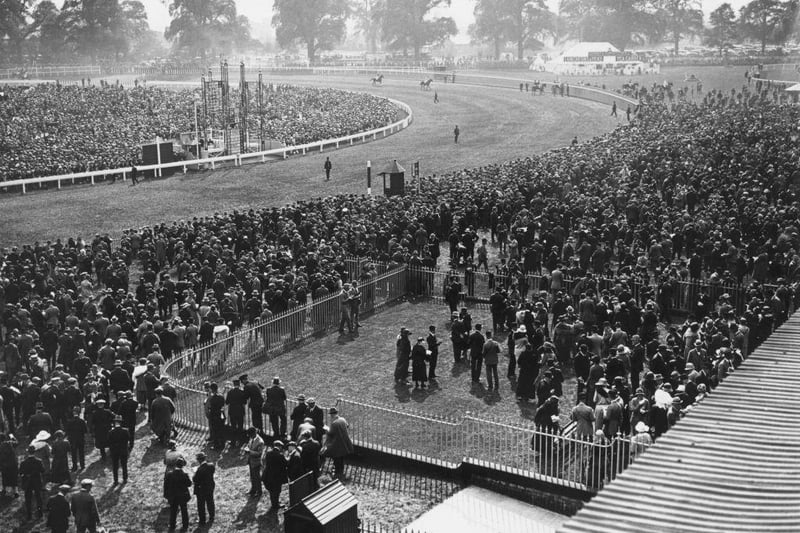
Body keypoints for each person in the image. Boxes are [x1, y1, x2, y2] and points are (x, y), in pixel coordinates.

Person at [324, 407, 353, 480]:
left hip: (337, 444)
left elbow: (331, 433)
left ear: (332, 415)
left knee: (336, 458)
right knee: (342, 457)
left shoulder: (334, 423)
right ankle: (341, 471)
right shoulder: (343, 419)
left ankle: (337, 472)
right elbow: (347, 426)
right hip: (345, 442)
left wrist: (326, 430)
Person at [164, 457, 192, 531]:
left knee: (173, 511)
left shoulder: (169, 474)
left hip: (173, 496)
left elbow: (166, 485)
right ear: (182, 465)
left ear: (175, 464)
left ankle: (172, 525)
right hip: (183, 496)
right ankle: (185, 525)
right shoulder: (184, 474)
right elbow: (189, 484)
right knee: (184, 511)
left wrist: (166, 495)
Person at [19, 445, 45, 520]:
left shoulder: (23, 462)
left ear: (28, 452)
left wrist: (26, 475)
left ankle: (29, 515)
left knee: (28, 499)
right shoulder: (39, 461)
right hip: (37, 481)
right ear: (35, 452)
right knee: (38, 498)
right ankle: (40, 513)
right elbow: (43, 471)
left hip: (27, 482)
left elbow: (20, 473)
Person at [262, 440, 288, 512]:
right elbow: (286, 463)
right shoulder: (280, 455)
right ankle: (275, 505)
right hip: (276, 477)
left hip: (268, 476)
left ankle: (274, 503)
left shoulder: (268, 453)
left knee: (271, 491)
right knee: (277, 491)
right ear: (279, 446)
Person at [192, 452, 216, 525]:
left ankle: (202, 520)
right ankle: (212, 516)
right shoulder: (211, 465)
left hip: (201, 489)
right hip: (210, 486)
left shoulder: (199, 470)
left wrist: (194, 473)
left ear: (199, 460)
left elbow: (195, 479)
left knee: (201, 505)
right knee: (210, 501)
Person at [108, 415, 130, 484]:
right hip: (123, 450)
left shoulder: (111, 432)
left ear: (114, 423)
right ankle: (125, 479)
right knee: (124, 465)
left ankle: (115, 480)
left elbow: (109, 442)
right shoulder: (125, 431)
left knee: (115, 466)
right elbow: (128, 439)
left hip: (114, 451)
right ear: (121, 423)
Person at [244, 427, 264, 497]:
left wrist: (249, 451)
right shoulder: (251, 438)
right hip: (251, 461)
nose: (250, 437)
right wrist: (247, 448)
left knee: (257, 477)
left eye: (250, 435)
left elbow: (259, 453)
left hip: (256, 462)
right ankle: (253, 489)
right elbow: (249, 445)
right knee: (252, 476)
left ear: (254, 433)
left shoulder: (260, 442)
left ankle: (259, 491)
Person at [205, 382, 226, 449]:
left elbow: (209, 406)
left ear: (211, 389)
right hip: (221, 414)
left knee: (215, 431)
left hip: (214, 416)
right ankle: (223, 444)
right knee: (222, 430)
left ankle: (216, 445)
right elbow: (223, 404)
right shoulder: (221, 396)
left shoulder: (211, 398)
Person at [0, 433, 19, 498]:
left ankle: (4, 490)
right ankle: (16, 491)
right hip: (13, 463)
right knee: (14, 477)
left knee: (5, 477)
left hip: (4, 465)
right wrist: (12, 436)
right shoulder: (10, 443)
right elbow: (17, 442)